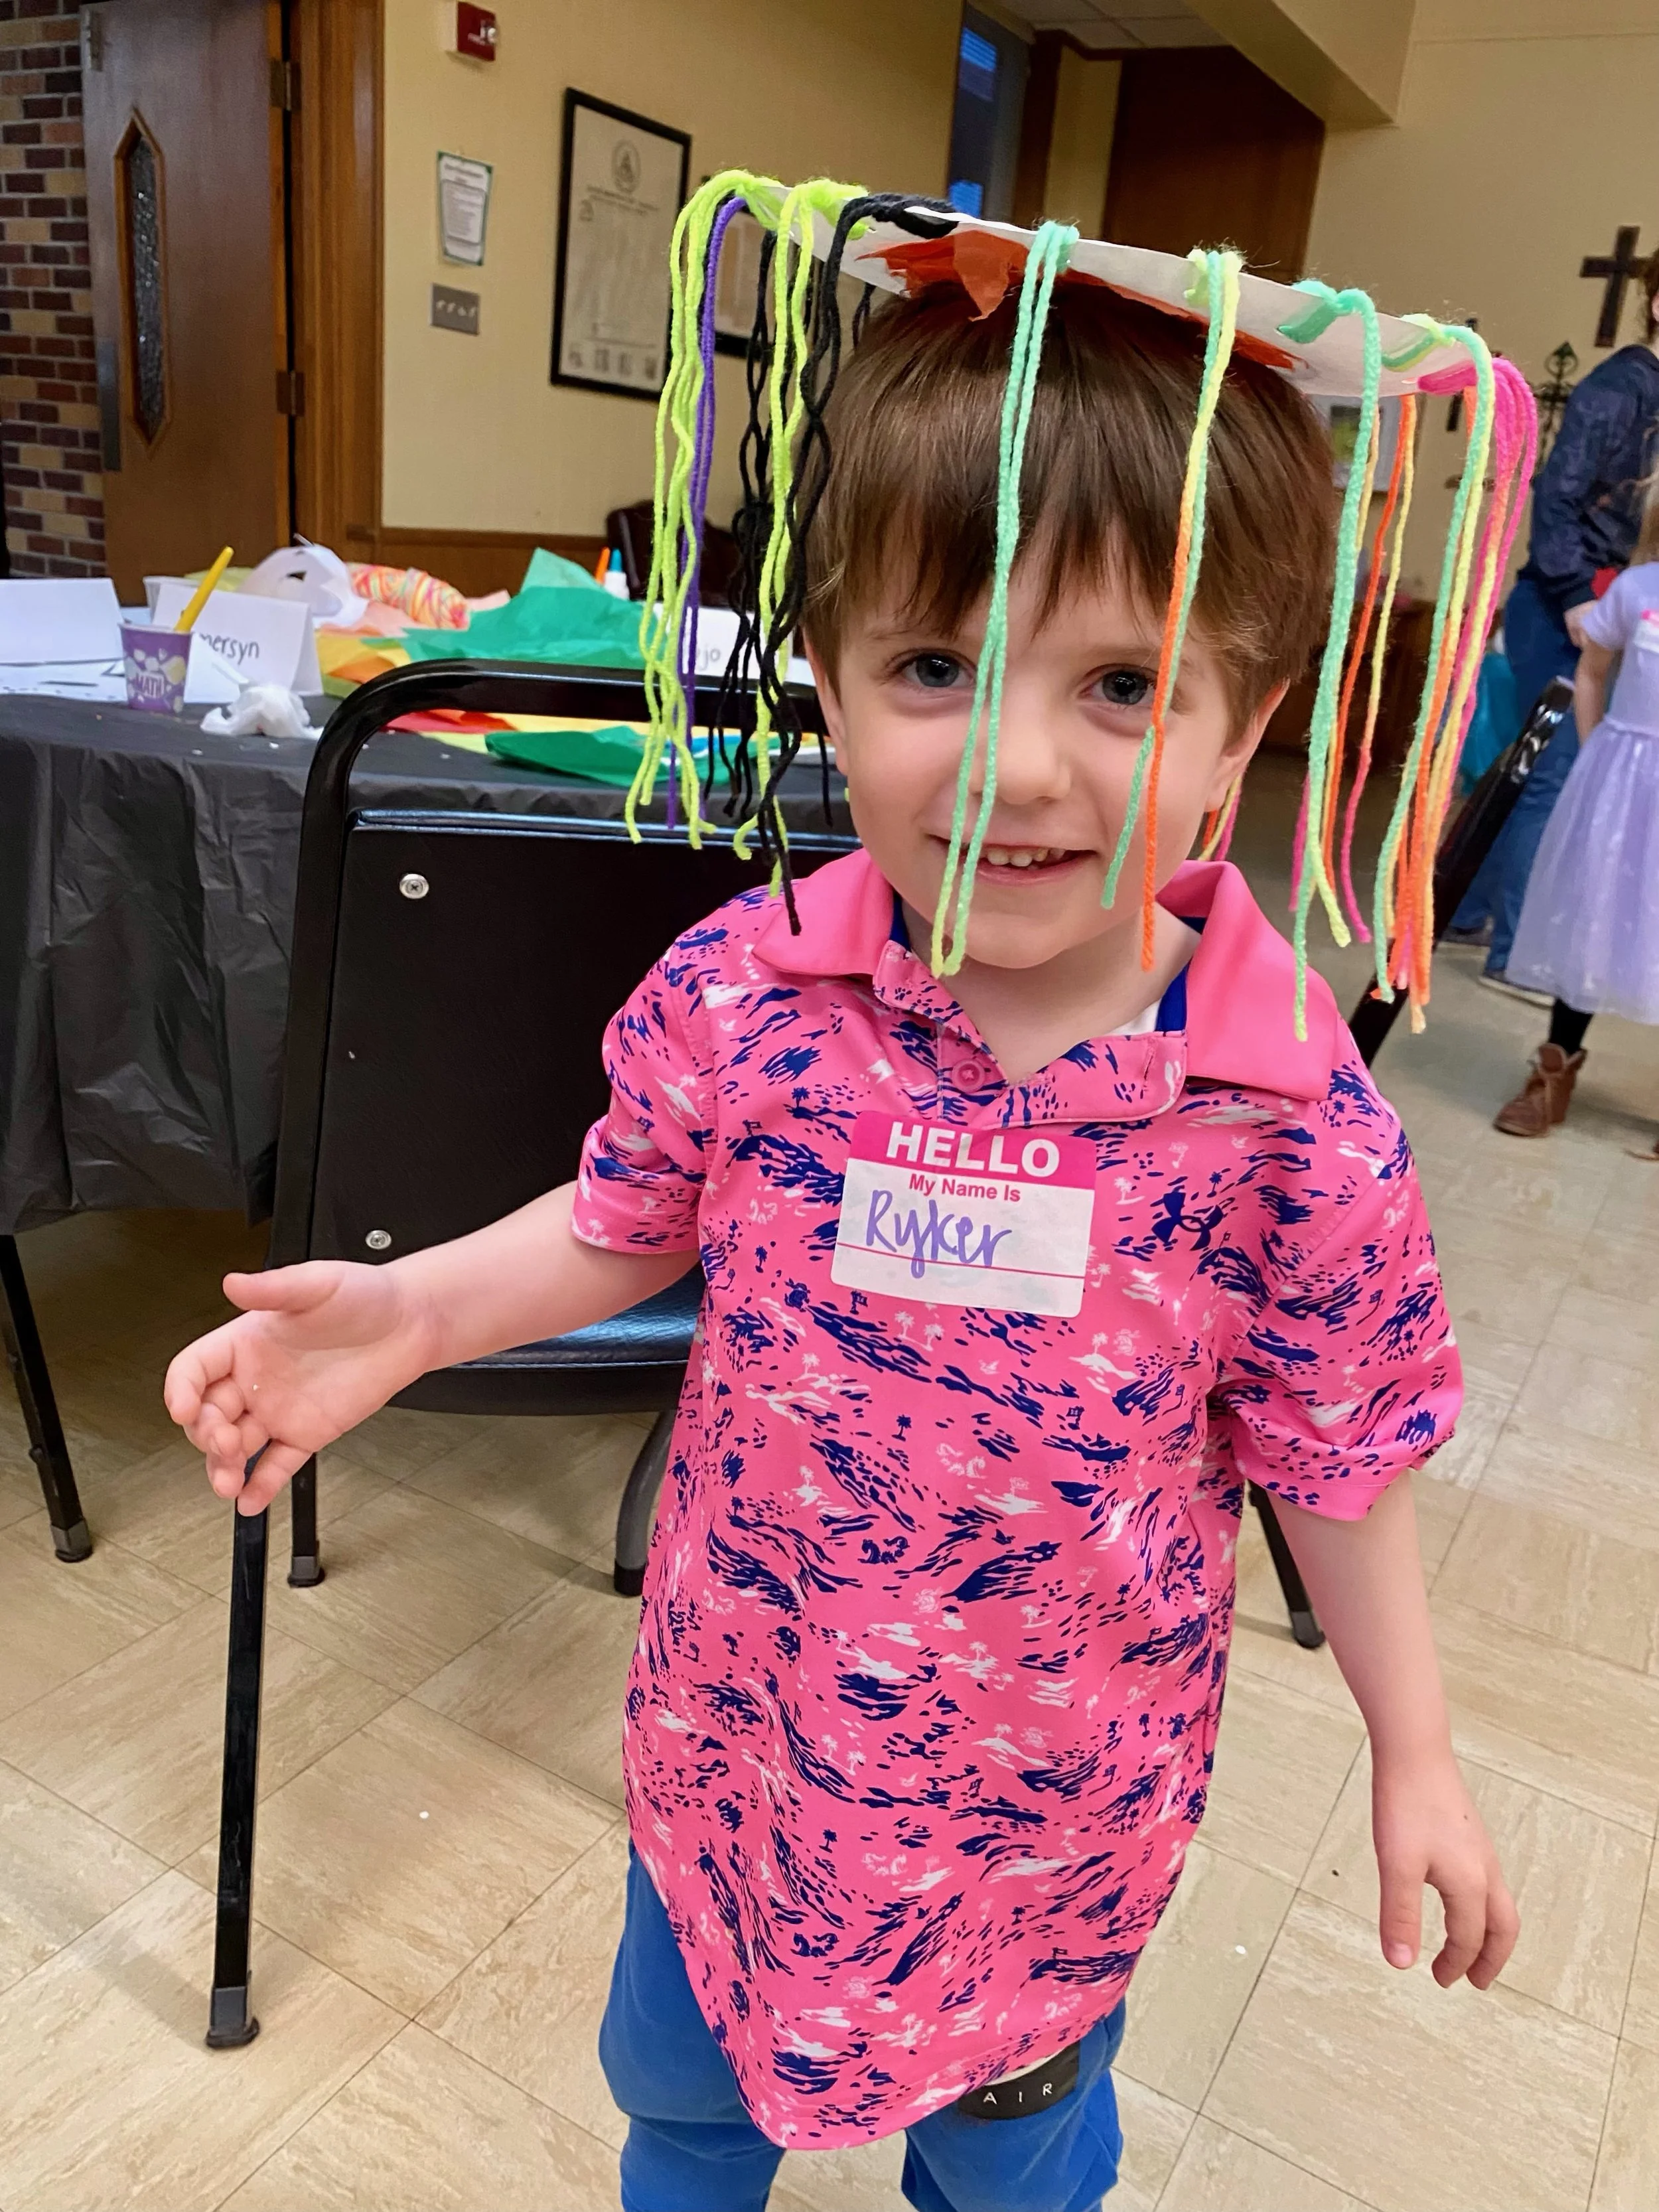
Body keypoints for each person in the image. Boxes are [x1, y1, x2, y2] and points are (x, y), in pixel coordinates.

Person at [164, 205, 1518, 2212]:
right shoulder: (747, 988)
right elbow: (628, 1220)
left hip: (1043, 1830)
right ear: (822, 672)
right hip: (739, 1757)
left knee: (1012, 2166)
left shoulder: (1285, 1118)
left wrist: (1414, 1743)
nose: (1009, 758)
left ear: (1242, 730)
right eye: (929, 662)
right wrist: (421, 1310)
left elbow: (1334, 1452)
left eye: (1124, 681)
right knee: (685, 2115)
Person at [1447, 249, 1659, 996]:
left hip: (1614, 605)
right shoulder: (1619, 387)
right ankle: (1514, 951)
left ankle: (1464, 911)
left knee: (1531, 766)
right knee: (1556, 772)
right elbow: (1557, 495)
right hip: (1564, 603)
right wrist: (1576, 594)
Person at [1496, 475, 1659, 1149]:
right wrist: (1596, 755)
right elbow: (1591, 671)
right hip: (1623, 780)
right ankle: (1554, 1067)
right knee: (1596, 913)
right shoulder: (1636, 592)